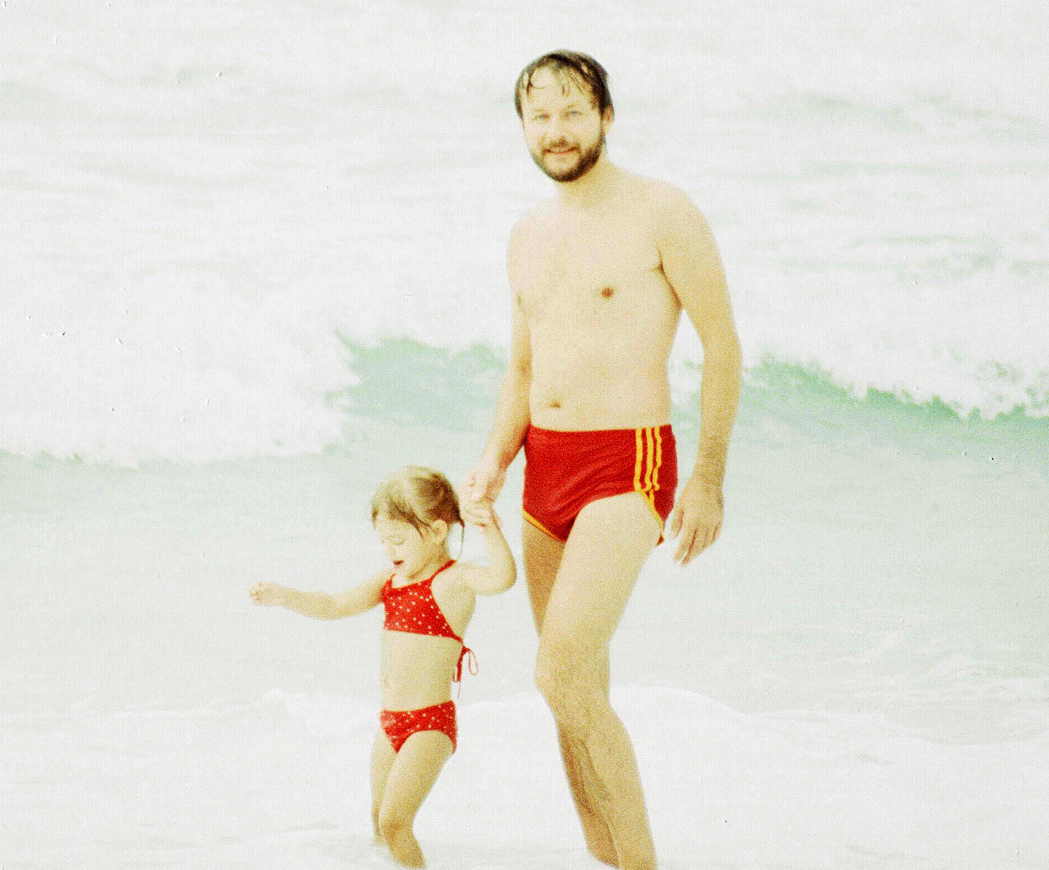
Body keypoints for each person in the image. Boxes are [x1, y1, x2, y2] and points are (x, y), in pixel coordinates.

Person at [463, 51, 741, 870]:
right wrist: (493, 459)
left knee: (559, 673)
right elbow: (523, 367)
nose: (555, 130)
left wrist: (709, 478)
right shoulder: (526, 232)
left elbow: (721, 347)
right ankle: (607, 861)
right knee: (572, 697)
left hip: (627, 463)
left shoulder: (661, 211)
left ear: (606, 118)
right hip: (543, 469)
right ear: (522, 126)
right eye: (538, 116)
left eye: (572, 112)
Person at [250, 466, 517, 868]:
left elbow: (502, 578)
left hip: (429, 724)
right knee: (378, 821)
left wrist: (489, 526)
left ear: (438, 532)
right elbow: (335, 605)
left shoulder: (453, 580)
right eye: (383, 541)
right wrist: (285, 597)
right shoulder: (390, 582)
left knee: (395, 823)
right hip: (390, 724)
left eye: (397, 540)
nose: (390, 551)